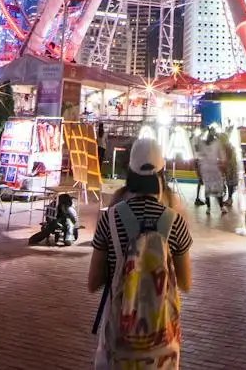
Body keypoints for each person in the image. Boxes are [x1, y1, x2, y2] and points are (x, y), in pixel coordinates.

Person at [89, 137, 190, 369]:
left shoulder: (110, 219)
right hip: (162, 345)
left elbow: (92, 282)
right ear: (161, 173)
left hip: (119, 341)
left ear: (130, 172)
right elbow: (185, 283)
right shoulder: (175, 221)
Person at [193, 128, 224, 216]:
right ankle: (221, 207)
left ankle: (208, 208)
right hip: (214, 169)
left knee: (208, 189)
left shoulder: (203, 143)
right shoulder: (217, 143)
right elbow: (222, 157)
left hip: (205, 169)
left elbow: (198, 153)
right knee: (218, 189)